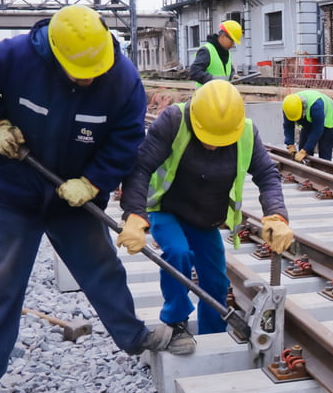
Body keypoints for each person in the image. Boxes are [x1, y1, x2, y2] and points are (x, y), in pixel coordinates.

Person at [0, 4, 174, 393]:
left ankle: (134, 337)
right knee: (0, 282)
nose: (87, 78)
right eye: (78, 71)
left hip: (73, 195)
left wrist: (92, 182)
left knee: (101, 266)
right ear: (53, 52)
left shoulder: (122, 80)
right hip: (12, 191)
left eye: (94, 70)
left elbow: (126, 140)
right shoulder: (13, 56)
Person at [119, 80, 294, 354]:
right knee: (178, 253)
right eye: (207, 138)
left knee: (215, 281)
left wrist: (276, 215)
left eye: (220, 140)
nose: (212, 146)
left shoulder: (246, 132)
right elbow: (140, 168)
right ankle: (176, 323)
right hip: (166, 209)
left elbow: (267, 175)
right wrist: (134, 215)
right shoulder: (173, 121)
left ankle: (213, 334)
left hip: (206, 219)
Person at [282, 90, 333, 162]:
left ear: (303, 109)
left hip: (328, 120)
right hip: (309, 117)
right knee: (303, 148)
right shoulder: (288, 106)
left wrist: (306, 150)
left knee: (324, 151)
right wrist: (290, 144)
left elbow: (317, 130)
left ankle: (324, 167)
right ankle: (306, 166)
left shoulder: (316, 106)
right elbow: (288, 125)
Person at [188, 20, 241, 87]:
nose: (233, 45)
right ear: (223, 36)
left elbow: (228, 70)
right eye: (232, 41)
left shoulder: (226, 53)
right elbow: (194, 72)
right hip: (206, 93)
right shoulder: (206, 51)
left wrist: (233, 75)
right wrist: (212, 80)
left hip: (221, 93)